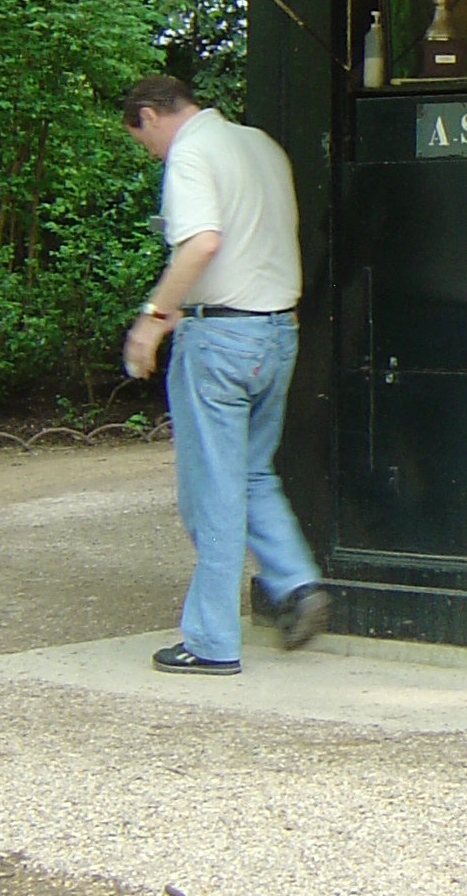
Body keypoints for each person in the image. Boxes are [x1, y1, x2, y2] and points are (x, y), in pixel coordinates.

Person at [121, 74, 329, 672]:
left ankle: (212, 643)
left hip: (218, 339)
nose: (152, 154)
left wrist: (153, 320)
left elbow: (202, 243)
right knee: (250, 474)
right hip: (276, 332)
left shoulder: (190, 153)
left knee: (210, 492)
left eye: (144, 142)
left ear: (149, 116)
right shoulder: (260, 145)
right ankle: (297, 581)